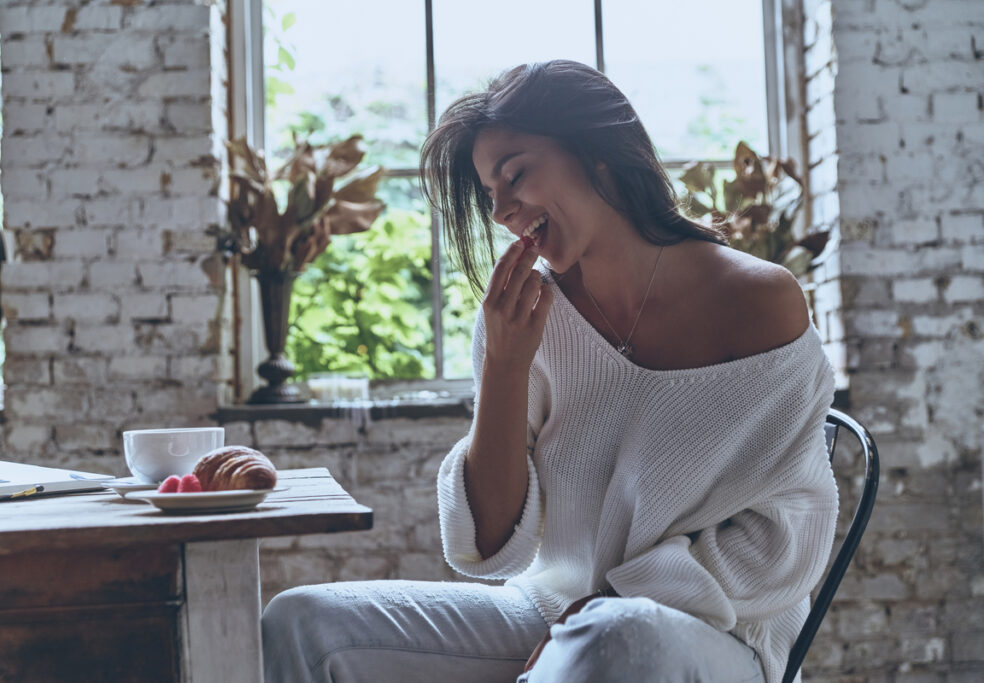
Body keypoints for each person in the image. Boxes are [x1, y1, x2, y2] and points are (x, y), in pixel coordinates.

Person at [261, 59, 838, 683]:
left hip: (714, 634)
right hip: (553, 613)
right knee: (303, 621)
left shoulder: (757, 301)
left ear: (599, 154)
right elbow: (490, 543)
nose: (501, 211)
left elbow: (784, 534)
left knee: (617, 634)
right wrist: (505, 366)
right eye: (490, 194)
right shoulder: (526, 315)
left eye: (515, 175)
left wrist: (607, 606)